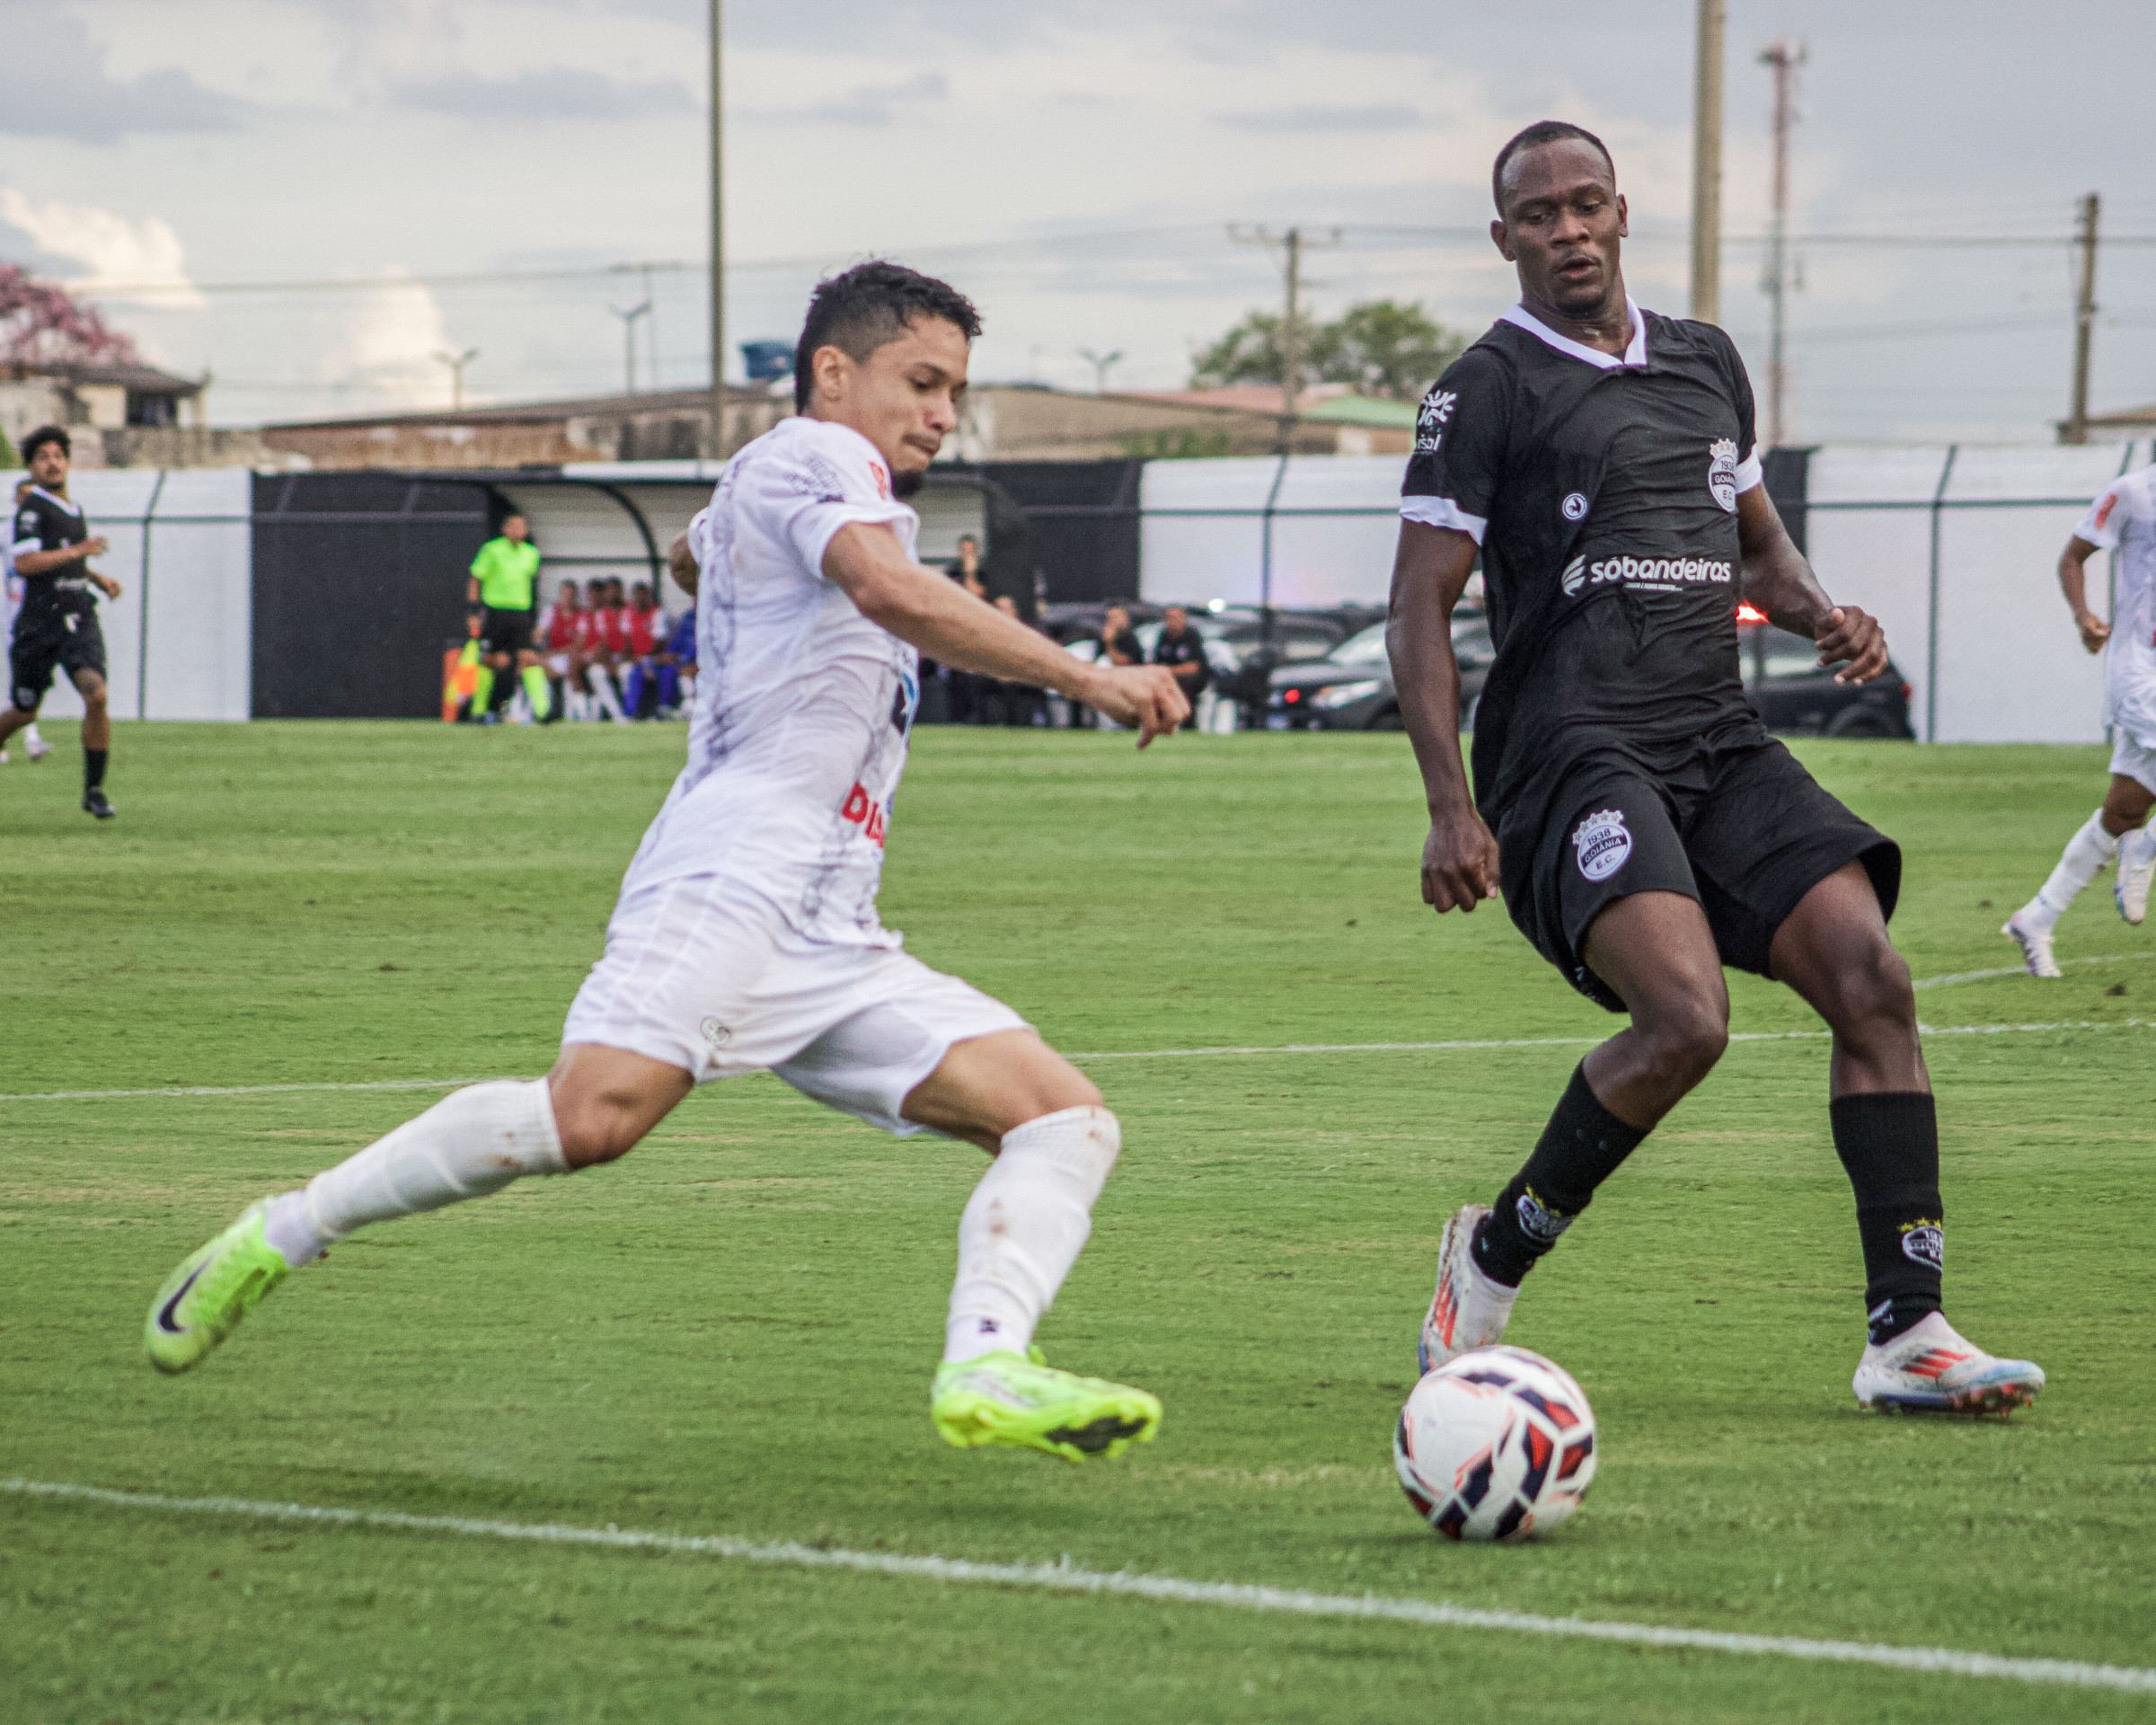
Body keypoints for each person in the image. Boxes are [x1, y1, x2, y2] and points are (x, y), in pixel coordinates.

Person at [144, 260, 1192, 1464]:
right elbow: (888, 590)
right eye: (921, 382)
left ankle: (988, 1364)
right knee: (592, 1118)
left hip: (832, 920)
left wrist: (717, 552)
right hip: (734, 870)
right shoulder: (813, 454)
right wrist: (1091, 676)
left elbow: (700, 552)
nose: (943, 414)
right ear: (832, 372)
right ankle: (281, 1231)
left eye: (955, 390)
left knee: (1064, 1119)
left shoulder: (793, 477)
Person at [1387, 121, 2042, 1416]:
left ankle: (1908, 1334)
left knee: (1873, 980)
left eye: (1586, 205)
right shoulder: (1486, 389)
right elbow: (1417, 606)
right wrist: (1450, 807)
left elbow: (1755, 549)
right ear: (1505, 239)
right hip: (1571, 751)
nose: (1569, 230)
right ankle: (1494, 1254)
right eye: (1539, 215)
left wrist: (1823, 614)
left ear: (1623, 213)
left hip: (1714, 737)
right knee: (1685, 1021)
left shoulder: (1706, 363)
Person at [2001, 466, 2156, 975]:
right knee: (2135, 828)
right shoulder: (2133, 493)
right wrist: (2083, 616)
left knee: (2126, 809)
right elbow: (2073, 556)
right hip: (2139, 672)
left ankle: (2036, 918)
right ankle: (2145, 849)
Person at [0, 427, 121, 817]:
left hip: (77, 617)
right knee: (24, 711)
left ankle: (94, 791)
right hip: (39, 624)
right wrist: (79, 550)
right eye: (43, 457)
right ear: (31, 467)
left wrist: (96, 578)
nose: (52, 463)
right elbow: (25, 563)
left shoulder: (72, 509)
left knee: (96, 694)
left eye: (57, 455)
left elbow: (68, 559)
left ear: (67, 461)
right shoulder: (32, 510)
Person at [467, 511, 550, 724]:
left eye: (523, 527)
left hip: (520, 613)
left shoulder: (531, 553)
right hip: (495, 611)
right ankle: (478, 710)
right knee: (489, 660)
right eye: (515, 526)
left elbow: (533, 587)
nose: (519, 530)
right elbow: (475, 579)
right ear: (505, 529)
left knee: (528, 658)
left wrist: (535, 619)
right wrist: (473, 611)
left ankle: (542, 711)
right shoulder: (492, 549)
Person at [0, 478, 53, 765]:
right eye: (25, 495)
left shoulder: (48, 529)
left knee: (28, 678)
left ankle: (31, 740)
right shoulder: (6, 531)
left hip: (37, 612)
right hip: (9, 612)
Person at [1151, 605, 1210, 730]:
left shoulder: (1191, 636)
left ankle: (1188, 725)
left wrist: (1169, 671)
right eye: (1170, 618)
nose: (1174, 621)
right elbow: (1157, 665)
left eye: (1177, 618)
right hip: (1168, 679)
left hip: (1191, 680)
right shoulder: (1163, 637)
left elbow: (1194, 666)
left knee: (1185, 685)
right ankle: (1157, 725)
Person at [540, 579, 589, 721]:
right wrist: (540, 646)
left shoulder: (582, 614)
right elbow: (539, 633)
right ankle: (541, 710)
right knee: (533, 665)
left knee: (573, 663)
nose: (568, 598)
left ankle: (580, 715)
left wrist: (552, 653)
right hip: (553, 657)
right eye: (565, 594)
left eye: (571, 595)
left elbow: (578, 644)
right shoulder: (551, 612)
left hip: (571, 657)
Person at [621, 581, 670, 719]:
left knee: (660, 672)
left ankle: (660, 710)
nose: (640, 599)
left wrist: (644, 659)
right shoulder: (628, 614)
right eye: (637, 595)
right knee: (629, 672)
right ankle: (631, 712)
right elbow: (626, 643)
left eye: (643, 595)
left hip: (654, 658)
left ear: (649, 596)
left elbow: (659, 643)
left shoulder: (657, 613)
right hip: (635, 658)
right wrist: (635, 658)